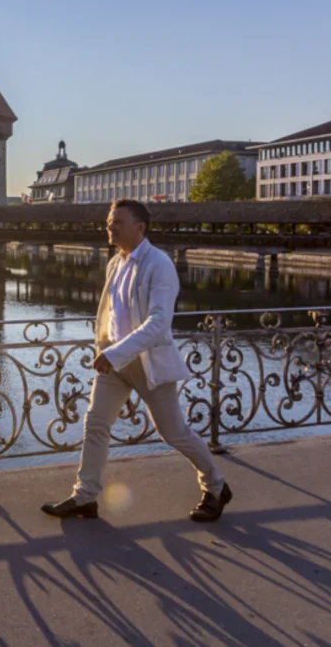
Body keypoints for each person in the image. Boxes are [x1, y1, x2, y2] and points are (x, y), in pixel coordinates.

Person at [41, 199, 231, 522]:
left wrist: (114, 353)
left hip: (147, 362)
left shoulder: (159, 265)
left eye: (117, 222)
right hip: (114, 362)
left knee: (173, 432)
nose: (109, 227)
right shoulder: (115, 263)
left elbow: (158, 324)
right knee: (96, 424)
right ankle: (85, 496)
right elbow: (112, 313)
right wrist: (107, 349)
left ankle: (216, 486)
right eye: (109, 221)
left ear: (139, 228)